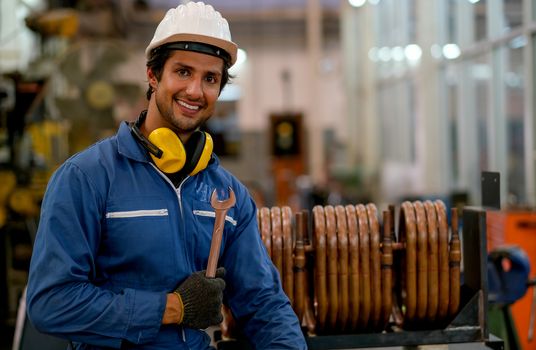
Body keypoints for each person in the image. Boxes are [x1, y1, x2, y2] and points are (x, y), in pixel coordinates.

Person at [25, 2, 307, 349]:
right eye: (183, 72)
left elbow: (264, 304)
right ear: (153, 75)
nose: (195, 91)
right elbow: (52, 304)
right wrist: (171, 308)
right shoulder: (86, 178)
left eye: (210, 78)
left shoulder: (228, 194)